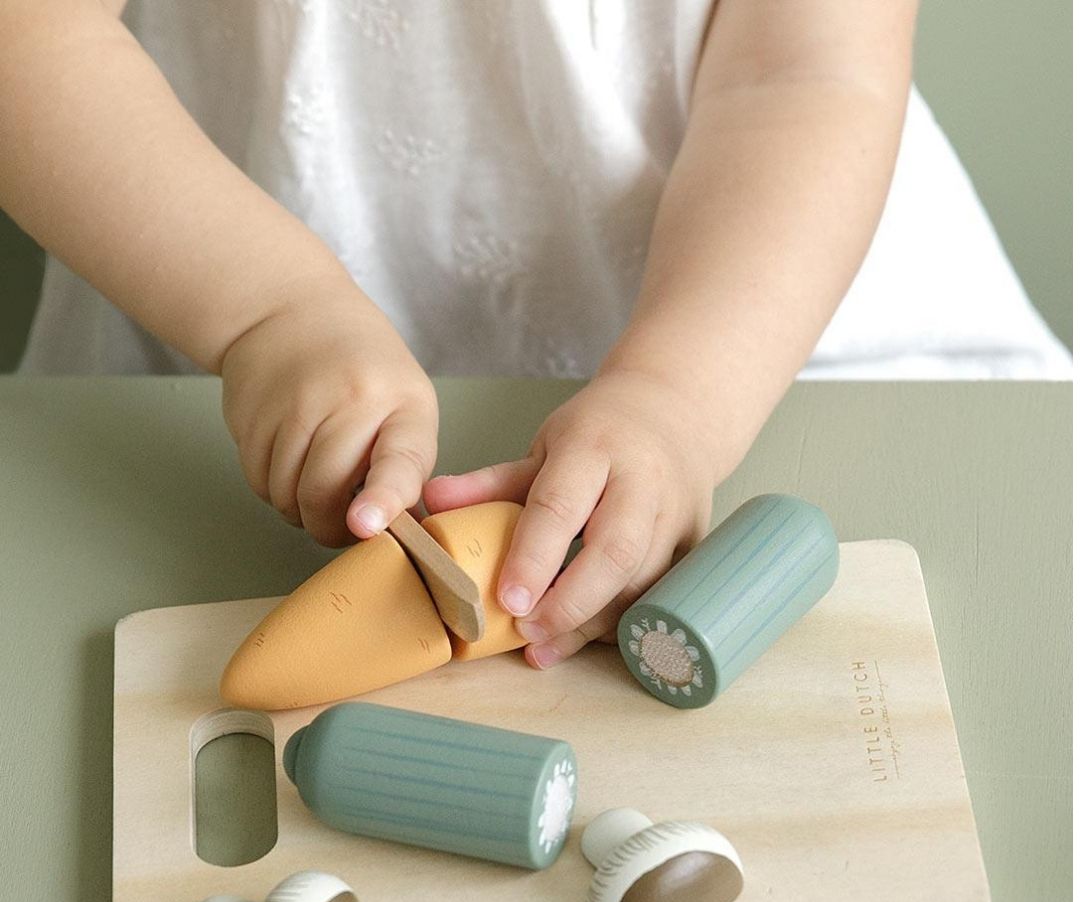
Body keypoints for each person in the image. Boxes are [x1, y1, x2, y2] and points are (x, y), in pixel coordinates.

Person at [2, 1, 1070, 671]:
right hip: (209, 314)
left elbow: (805, 73)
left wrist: (681, 399)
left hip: (761, 329)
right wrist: (266, 311)